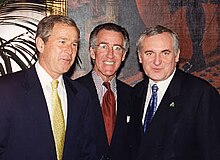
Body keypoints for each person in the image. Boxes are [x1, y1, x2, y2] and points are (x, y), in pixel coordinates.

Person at [0, 15, 95, 160]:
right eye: (62, 42)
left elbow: (86, 151)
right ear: (40, 44)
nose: (69, 51)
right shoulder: (7, 90)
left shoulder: (81, 95)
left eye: (74, 44)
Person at [131, 25, 220, 160]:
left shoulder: (201, 94)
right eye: (150, 53)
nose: (157, 61)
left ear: (177, 55)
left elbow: (212, 152)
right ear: (140, 57)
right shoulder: (136, 92)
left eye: (165, 53)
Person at [74, 23, 133, 160]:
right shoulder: (73, 91)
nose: (110, 55)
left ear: (123, 55)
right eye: (103, 46)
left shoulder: (132, 95)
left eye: (117, 48)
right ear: (92, 52)